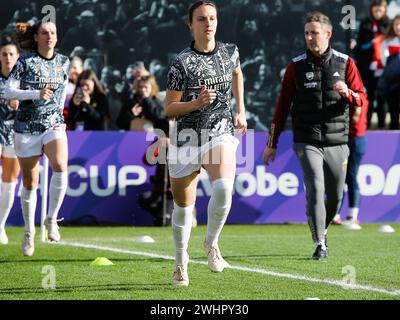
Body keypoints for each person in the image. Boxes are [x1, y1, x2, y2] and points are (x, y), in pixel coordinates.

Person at [263, 12, 366, 260]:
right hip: (306, 140)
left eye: (315, 33)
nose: (310, 37)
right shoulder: (295, 66)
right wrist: (271, 144)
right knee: (315, 189)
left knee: (337, 196)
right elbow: (282, 107)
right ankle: (320, 242)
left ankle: (324, 227)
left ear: (328, 34)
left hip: (338, 141)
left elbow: (362, 98)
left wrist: (348, 93)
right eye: (307, 33)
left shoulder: (346, 63)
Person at [165, 1, 247, 286]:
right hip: (187, 138)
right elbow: (169, 109)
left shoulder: (230, 52)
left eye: (212, 18)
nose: (208, 23)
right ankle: (180, 262)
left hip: (220, 131)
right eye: (201, 19)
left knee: (224, 188)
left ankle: (211, 244)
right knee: (183, 209)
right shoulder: (181, 61)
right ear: (191, 24)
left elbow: (237, 73)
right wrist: (196, 103)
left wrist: (240, 110)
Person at [4, 20, 70, 256]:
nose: (49, 36)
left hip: (53, 123)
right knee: (30, 183)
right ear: (36, 37)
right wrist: (35, 93)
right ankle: (29, 231)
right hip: (26, 126)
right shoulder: (25, 61)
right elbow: (7, 91)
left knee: (61, 166)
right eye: (44, 33)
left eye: (53, 32)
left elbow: (62, 92)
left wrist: (59, 113)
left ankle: (51, 219)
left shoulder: (64, 61)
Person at [333, 96, 369, 229]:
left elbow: (354, 119)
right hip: (350, 140)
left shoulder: (358, 98)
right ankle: (335, 215)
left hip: (354, 140)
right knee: (341, 178)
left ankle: (352, 216)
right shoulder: (357, 96)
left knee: (351, 177)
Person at [353, 0, 389, 128]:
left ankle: (382, 125)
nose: (378, 13)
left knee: (382, 97)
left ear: (384, 10)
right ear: (372, 10)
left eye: (380, 10)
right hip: (367, 67)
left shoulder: (388, 24)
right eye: (376, 10)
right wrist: (371, 43)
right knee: (368, 96)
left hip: (384, 68)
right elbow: (360, 46)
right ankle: (366, 125)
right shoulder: (365, 23)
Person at [0, 35, 21, 245]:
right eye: (4, 54)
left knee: (9, 183)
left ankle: (1, 226)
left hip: (15, 133)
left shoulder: (24, 81)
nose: (8, 57)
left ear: (18, 57)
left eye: (11, 54)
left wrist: (22, 104)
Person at [378, 14, 400, 129]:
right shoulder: (387, 41)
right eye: (397, 24)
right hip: (392, 82)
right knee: (394, 110)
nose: (399, 27)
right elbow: (383, 60)